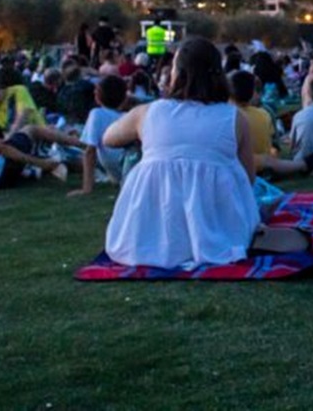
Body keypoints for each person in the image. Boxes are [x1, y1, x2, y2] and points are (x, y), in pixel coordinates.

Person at [102, 38, 261, 268]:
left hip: (145, 237)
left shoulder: (148, 113)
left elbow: (108, 138)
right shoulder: (235, 118)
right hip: (222, 229)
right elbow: (248, 178)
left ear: (176, 72)